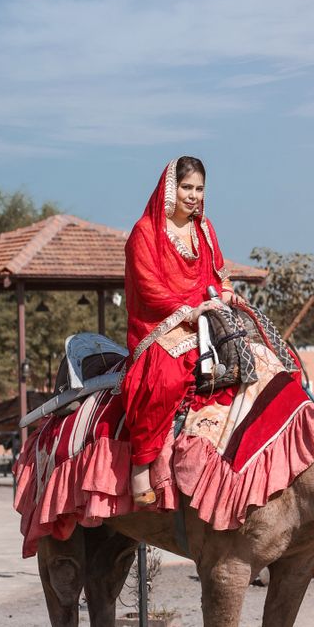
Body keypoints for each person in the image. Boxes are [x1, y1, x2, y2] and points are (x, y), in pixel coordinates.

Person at [120, 157, 234, 504]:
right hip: (161, 325)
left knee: (262, 357)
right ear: (171, 188)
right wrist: (188, 311)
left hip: (208, 318)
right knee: (166, 378)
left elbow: (218, 273)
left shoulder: (205, 229)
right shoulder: (145, 231)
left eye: (199, 189)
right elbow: (149, 287)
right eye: (187, 187)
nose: (193, 195)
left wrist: (227, 291)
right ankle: (142, 467)